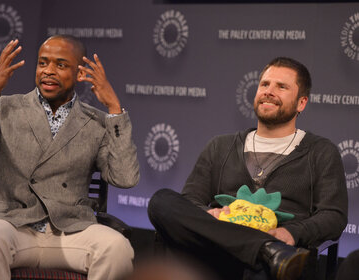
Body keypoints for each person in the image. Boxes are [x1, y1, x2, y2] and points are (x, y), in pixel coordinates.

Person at [0, 35, 139, 280]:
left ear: (81, 72)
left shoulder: (97, 122)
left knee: (117, 247)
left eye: (60, 65)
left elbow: (125, 178)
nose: (48, 71)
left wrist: (114, 108)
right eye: (43, 63)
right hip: (14, 226)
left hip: (70, 231)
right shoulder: (5, 109)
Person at [148, 57, 348, 280]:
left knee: (265, 269)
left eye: (281, 87)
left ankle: (268, 252)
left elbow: (333, 216)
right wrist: (208, 213)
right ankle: (266, 250)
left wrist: (291, 233)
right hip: (217, 248)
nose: (269, 91)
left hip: (275, 261)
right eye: (264, 84)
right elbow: (190, 200)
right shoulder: (220, 146)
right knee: (161, 200)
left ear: (301, 103)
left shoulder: (320, 152)